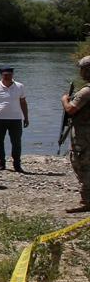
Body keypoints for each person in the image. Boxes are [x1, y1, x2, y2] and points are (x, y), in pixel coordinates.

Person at [0, 67, 28, 172]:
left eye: (9, 74)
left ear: (12, 75)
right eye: (5, 75)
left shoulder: (19, 86)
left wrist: (26, 117)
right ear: (1, 75)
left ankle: (17, 165)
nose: (7, 76)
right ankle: (1, 164)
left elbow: (23, 102)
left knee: (16, 142)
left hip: (15, 118)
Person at [61, 56, 90, 213]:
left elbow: (71, 110)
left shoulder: (86, 91)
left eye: (83, 69)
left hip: (84, 133)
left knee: (81, 163)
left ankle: (87, 201)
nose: (80, 72)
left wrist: (65, 100)